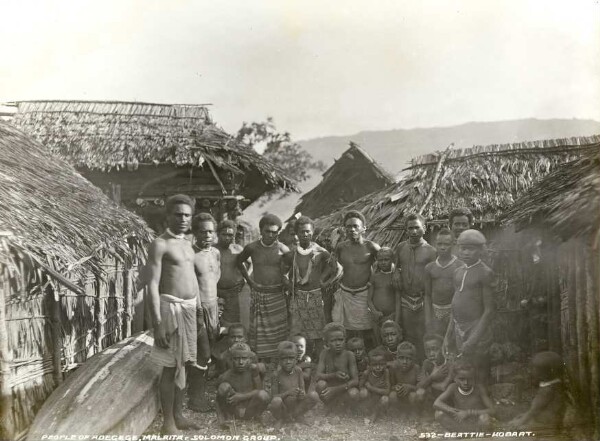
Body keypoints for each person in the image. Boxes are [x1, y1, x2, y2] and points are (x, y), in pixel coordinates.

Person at [147, 194, 200, 433]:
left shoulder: (188, 243)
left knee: (186, 363)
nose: (182, 219)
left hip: (190, 309)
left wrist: (198, 311)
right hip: (171, 309)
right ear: (168, 216)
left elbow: (192, 278)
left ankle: (179, 414)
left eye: (186, 215)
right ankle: (167, 422)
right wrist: (157, 323)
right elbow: (152, 285)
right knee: (170, 367)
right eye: (177, 214)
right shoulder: (160, 244)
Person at [443, 229, 494, 384]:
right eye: (462, 248)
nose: (465, 252)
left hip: (477, 328)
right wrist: (448, 335)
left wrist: (473, 339)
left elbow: (489, 310)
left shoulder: (485, 273)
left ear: (480, 250)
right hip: (459, 328)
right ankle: (466, 397)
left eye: (470, 249)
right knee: (464, 367)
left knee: (479, 367)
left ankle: (482, 402)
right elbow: (454, 306)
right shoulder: (457, 272)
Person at [237, 214, 290, 360]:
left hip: (277, 295)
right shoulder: (252, 248)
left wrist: (286, 278)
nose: (271, 235)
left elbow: (293, 266)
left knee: (278, 329)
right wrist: (249, 280)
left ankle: (278, 357)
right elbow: (239, 261)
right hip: (259, 293)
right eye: (268, 231)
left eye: (275, 232)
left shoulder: (283, 249)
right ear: (261, 230)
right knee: (259, 331)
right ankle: (261, 359)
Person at [284, 216, 335, 358]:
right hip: (298, 296)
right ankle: (297, 359)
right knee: (297, 329)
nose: (305, 234)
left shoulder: (320, 252)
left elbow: (335, 267)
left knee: (318, 330)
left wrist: (324, 280)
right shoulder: (292, 253)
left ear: (313, 232)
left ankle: (320, 360)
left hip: (316, 295)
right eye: (301, 232)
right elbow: (282, 273)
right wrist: (289, 285)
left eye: (308, 231)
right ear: (297, 234)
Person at [333, 211, 380, 349]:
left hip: (365, 294)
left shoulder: (371, 247)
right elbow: (333, 267)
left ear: (363, 228)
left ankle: (371, 356)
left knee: (369, 329)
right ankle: (351, 356)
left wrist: (374, 281)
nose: (352, 229)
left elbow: (387, 264)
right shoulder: (340, 247)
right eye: (348, 226)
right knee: (347, 331)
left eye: (355, 226)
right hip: (346, 293)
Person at [188, 213, 221, 412]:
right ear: (195, 233)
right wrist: (200, 312)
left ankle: (199, 391)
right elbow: (193, 287)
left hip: (213, 307)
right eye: (203, 231)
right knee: (203, 352)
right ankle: (195, 398)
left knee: (211, 351)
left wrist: (215, 302)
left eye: (210, 231)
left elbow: (216, 276)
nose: (207, 235)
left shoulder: (216, 253)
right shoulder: (191, 256)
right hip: (197, 309)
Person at [395, 213, 436, 360]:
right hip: (406, 297)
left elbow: (434, 275)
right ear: (406, 230)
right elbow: (397, 266)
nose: (413, 231)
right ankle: (410, 365)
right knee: (407, 332)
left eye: (417, 228)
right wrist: (396, 273)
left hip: (423, 298)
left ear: (424, 229)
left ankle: (424, 363)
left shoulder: (431, 251)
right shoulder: (400, 247)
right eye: (410, 228)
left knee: (423, 332)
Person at [508, 351, 566, 434]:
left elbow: (534, 411)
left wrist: (519, 423)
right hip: (547, 421)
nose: (531, 371)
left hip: (547, 425)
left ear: (544, 373)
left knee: (515, 430)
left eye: (534, 369)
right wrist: (524, 415)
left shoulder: (547, 390)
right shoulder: (553, 384)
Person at [216, 342, 270, 426]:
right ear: (231, 359)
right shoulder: (226, 376)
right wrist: (220, 418)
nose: (241, 362)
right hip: (234, 410)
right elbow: (218, 399)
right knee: (223, 387)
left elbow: (259, 391)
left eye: (244, 358)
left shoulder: (253, 371)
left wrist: (241, 397)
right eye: (237, 358)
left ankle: (257, 415)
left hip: (250, 408)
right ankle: (227, 416)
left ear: (249, 359)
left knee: (264, 395)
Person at [424, 228, 465, 335]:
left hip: (453, 311)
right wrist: (428, 319)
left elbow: (461, 296)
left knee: (452, 342)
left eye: (446, 244)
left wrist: (455, 315)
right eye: (439, 244)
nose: (442, 247)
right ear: (435, 244)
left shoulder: (459, 266)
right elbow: (427, 295)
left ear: (453, 244)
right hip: (435, 311)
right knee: (437, 341)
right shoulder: (430, 267)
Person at [434, 359, 494, 431]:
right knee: (438, 414)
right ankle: (460, 433)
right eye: (461, 379)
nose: (466, 382)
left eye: (469, 379)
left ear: (474, 378)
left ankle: (475, 434)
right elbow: (436, 403)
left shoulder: (479, 388)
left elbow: (492, 410)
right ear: (455, 379)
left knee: (485, 418)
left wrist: (468, 413)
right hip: (460, 422)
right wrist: (454, 412)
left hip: (476, 422)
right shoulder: (453, 387)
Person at [269, 341, 320, 426]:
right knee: (276, 401)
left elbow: (302, 390)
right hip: (283, 407)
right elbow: (273, 397)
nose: (288, 361)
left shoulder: (298, 371)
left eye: (291, 358)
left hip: (296, 405)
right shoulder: (276, 374)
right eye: (284, 358)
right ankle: (281, 418)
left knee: (314, 395)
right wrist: (288, 393)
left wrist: (301, 394)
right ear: (279, 360)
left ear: (296, 360)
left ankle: (298, 415)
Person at [315, 323, 360, 408]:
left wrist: (335, 390)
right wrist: (334, 375)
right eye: (333, 340)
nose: (338, 343)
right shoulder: (324, 353)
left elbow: (355, 380)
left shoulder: (349, 355)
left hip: (344, 388)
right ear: (327, 342)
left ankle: (344, 407)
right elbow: (317, 376)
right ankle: (330, 405)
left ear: (345, 340)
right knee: (320, 385)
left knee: (354, 393)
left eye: (340, 339)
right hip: (330, 388)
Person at [216, 220, 246, 327]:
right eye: (224, 234)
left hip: (233, 293)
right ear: (218, 234)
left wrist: (245, 279)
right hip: (215, 293)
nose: (227, 237)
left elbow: (250, 263)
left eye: (230, 235)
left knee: (232, 325)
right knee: (214, 324)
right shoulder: (212, 250)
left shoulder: (237, 249)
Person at [367, 247, 400, 345]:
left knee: (393, 341)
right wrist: (374, 311)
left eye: (386, 259)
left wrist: (396, 320)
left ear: (392, 260)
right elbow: (369, 299)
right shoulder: (374, 276)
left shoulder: (395, 277)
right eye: (380, 260)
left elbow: (398, 301)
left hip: (392, 316)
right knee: (379, 341)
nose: (383, 262)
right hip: (377, 318)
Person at [389, 341, 423, 413]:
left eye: (408, 358)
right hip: (400, 396)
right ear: (396, 358)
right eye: (401, 358)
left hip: (411, 397)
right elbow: (390, 385)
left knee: (414, 395)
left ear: (413, 359)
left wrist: (410, 387)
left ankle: (414, 412)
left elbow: (421, 387)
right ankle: (399, 412)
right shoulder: (394, 368)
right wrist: (396, 387)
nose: (404, 361)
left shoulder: (416, 368)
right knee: (392, 395)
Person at [358, 347, 391, 423]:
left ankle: (377, 412)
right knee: (363, 392)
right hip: (370, 397)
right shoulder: (367, 373)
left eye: (381, 364)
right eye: (375, 365)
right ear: (369, 365)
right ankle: (368, 411)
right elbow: (360, 386)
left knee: (385, 399)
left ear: (385, 364)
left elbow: (387, 391)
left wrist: (371, 387)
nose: (378, 367)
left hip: (379, 396)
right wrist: (372, 389)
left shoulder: (386, 372)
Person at [417, 333, 452, 401]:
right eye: (428, 351)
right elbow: (419, 386)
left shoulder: (449, 363)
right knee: (419, 393)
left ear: (443, 349)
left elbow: (443, 387)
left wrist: (428, 382)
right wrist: (432, 377)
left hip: (448, 398)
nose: (431, 354)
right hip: (434, 396)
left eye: (434, 349)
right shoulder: (427, 363)